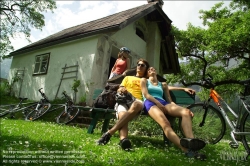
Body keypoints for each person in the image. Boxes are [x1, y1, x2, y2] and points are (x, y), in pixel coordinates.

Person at [140, 66, 206, 160]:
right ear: (147, 73)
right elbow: (146, 94)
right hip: (150, 102)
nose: (151, 69)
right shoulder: (144, 80)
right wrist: (158, 103)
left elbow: (170, 100)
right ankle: (185, 149)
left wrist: (183, 89)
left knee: (185, 112)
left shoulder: (162, 84)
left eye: (153, 68)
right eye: (149, 69)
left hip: (164, 103)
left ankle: (192, 143)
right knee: (166, 124)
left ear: (156, 71)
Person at [97, 58, 150, 150]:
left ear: (146, 69)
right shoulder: (127, 78)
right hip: (124, 99)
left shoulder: (146, 80)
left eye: (143, 65)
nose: (140, 66)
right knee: (123, 116)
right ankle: (124, 140)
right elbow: (119, 88)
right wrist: (121, 89)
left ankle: (109, 133)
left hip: (137, 101)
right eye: (138, 65)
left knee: (137, 104)